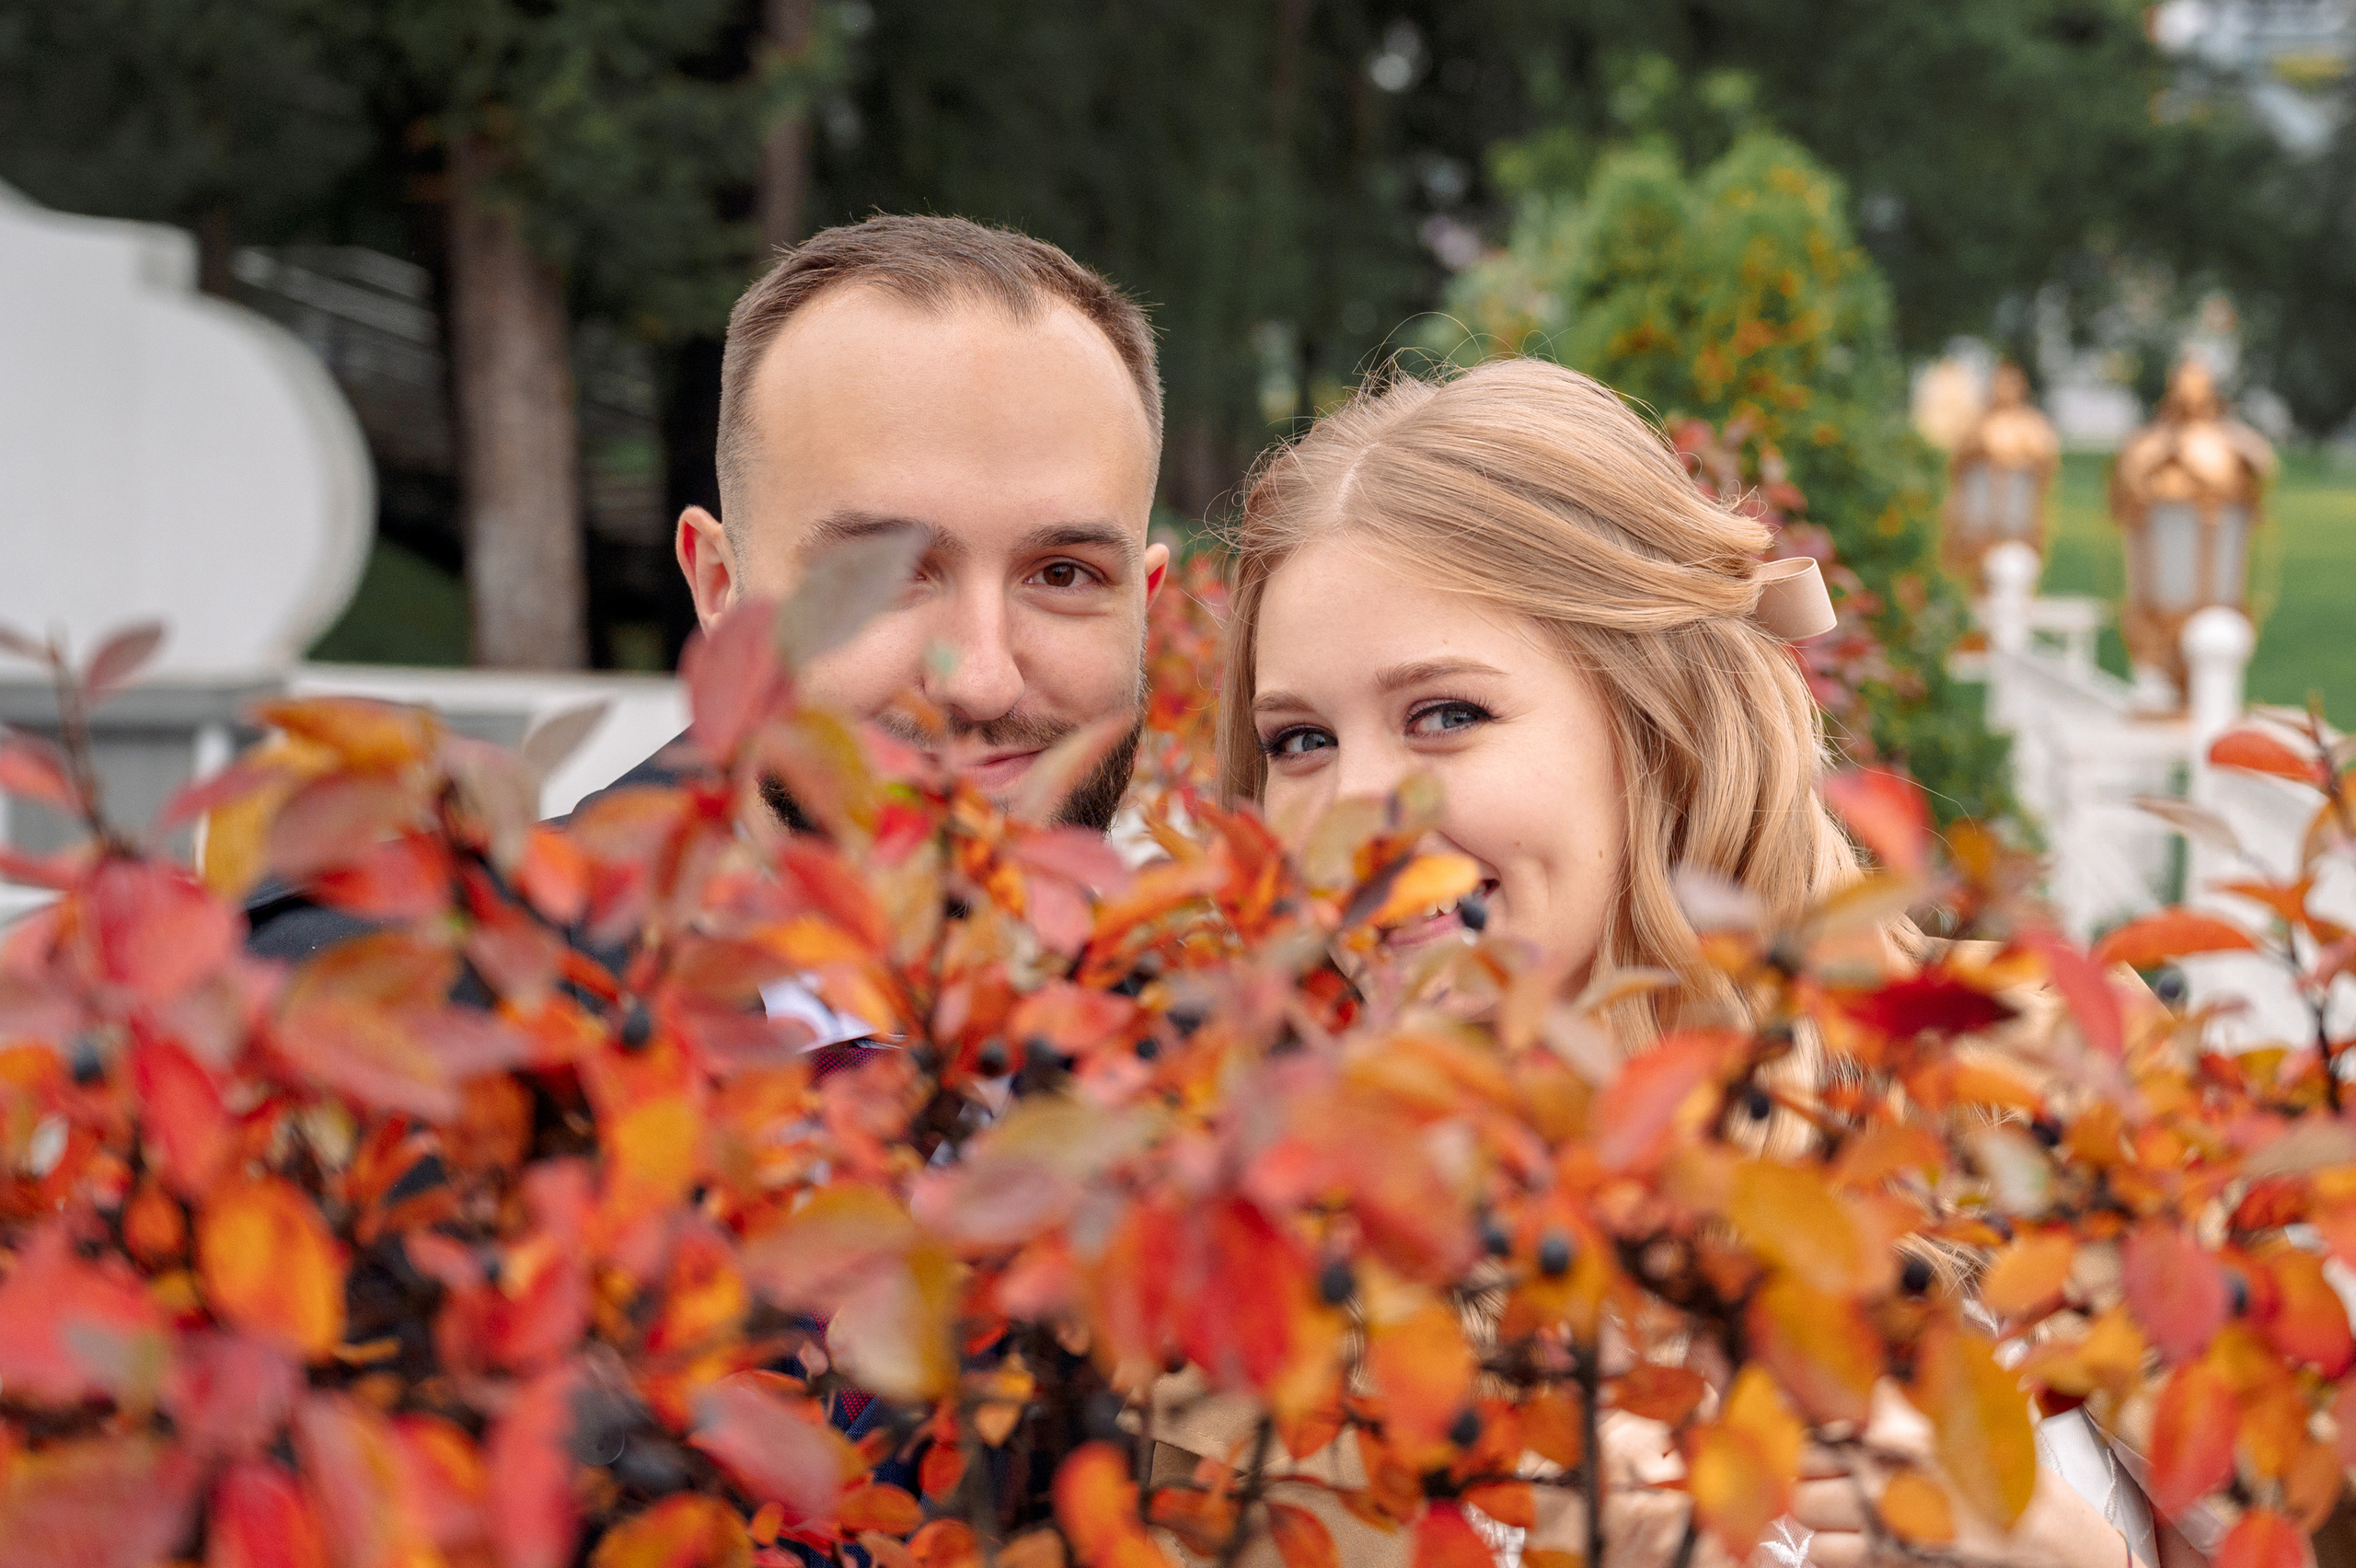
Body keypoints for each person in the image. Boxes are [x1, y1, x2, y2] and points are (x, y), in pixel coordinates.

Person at [1161, 356, 2179, 1567]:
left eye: (1445, 715)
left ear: (1656, 722)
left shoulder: (2049, 1070)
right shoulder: (1251, 1287)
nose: (1355, 813)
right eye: (1300, 741)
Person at [250, 213, 1170, 967]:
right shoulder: (368, 993)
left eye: (1063, 575)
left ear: (1146, 605)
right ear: (720, 588)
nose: (981, 680)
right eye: (883, 574)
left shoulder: (1197, 1062)